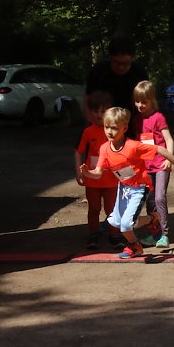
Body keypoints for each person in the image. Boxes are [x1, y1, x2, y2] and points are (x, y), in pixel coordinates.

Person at [80, 107, 174, 260]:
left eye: (114, 128)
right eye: (106, 127)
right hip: (123, 189)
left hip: (139, 189)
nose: (109, 131)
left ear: (124, 128)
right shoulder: (104, 148)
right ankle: (153, 219)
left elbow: (159, 149)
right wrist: (87, 173)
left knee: (126, 225)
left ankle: (134, 246)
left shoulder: (133, 146)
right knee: (115, 222)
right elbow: (98, 173)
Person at [132, 81, 174, 249]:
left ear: (152, 100)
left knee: (159, 197)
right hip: (145, 167)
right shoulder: (136, 119)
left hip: (161, 165)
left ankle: (164, 234)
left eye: (144, 101)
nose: (140, 105)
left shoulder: (158, 117)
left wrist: (169, 160)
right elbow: (137, 143)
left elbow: (169, 140)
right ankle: (154, 234)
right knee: (149, 201)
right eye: (137, 101)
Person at [74, 91, 120, 249]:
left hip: (111, 179)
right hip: (92, 178)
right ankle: (93, 234)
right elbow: (78, 151)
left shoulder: (115, 130)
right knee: (94, 208)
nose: (99, 115)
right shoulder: (87, 131)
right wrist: (78, 171)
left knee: (111, 208)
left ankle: (114, 234)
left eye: (103, 111)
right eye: (95, 111)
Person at [85, 36, 149, 127]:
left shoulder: (139, 73)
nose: (121, 67)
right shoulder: (98, 71)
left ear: (132, 58)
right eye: (117, 63)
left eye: (125, 63)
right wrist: (92, 124)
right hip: (104, 124)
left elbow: (148, 101)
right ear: (110, 57)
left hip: (132, 123)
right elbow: (88, 100)